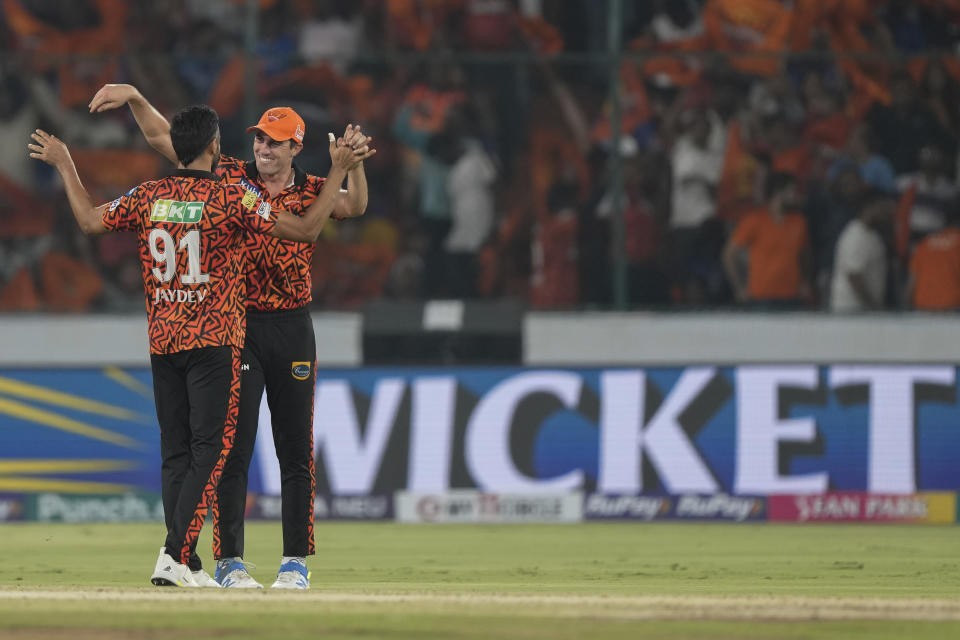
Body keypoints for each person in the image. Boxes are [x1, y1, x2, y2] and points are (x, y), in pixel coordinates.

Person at [28, 104, 368, 588]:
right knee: (219, 450)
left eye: (274, 140)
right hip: (221, 336)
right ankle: (188, 556)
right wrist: (341, 167)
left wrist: (68, 161)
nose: (262, 147)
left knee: (189, 452)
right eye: (258, 139)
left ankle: (211, 561)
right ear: (216, 148)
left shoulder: (150, 193)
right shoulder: (232, 194)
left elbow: (89, 219)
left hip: (174, 337)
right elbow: (308, 229)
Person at [723, 172, 811, 310]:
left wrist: (804, 281)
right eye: (791, 190)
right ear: (778, 192)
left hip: (791, 296)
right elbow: (729, 254)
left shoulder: (799, 222)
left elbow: (804, 255)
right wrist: (739, 288)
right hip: (761, 296)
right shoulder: (754, 220)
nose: (795, 195)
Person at [829, 191, 893, 312]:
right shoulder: (855, 235)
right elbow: (854, 276)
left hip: (862, 311)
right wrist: (873, 307)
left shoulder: (872, 234)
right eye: (882, 207)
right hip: (851, 310)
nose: (886, 213)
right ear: (869, 208)